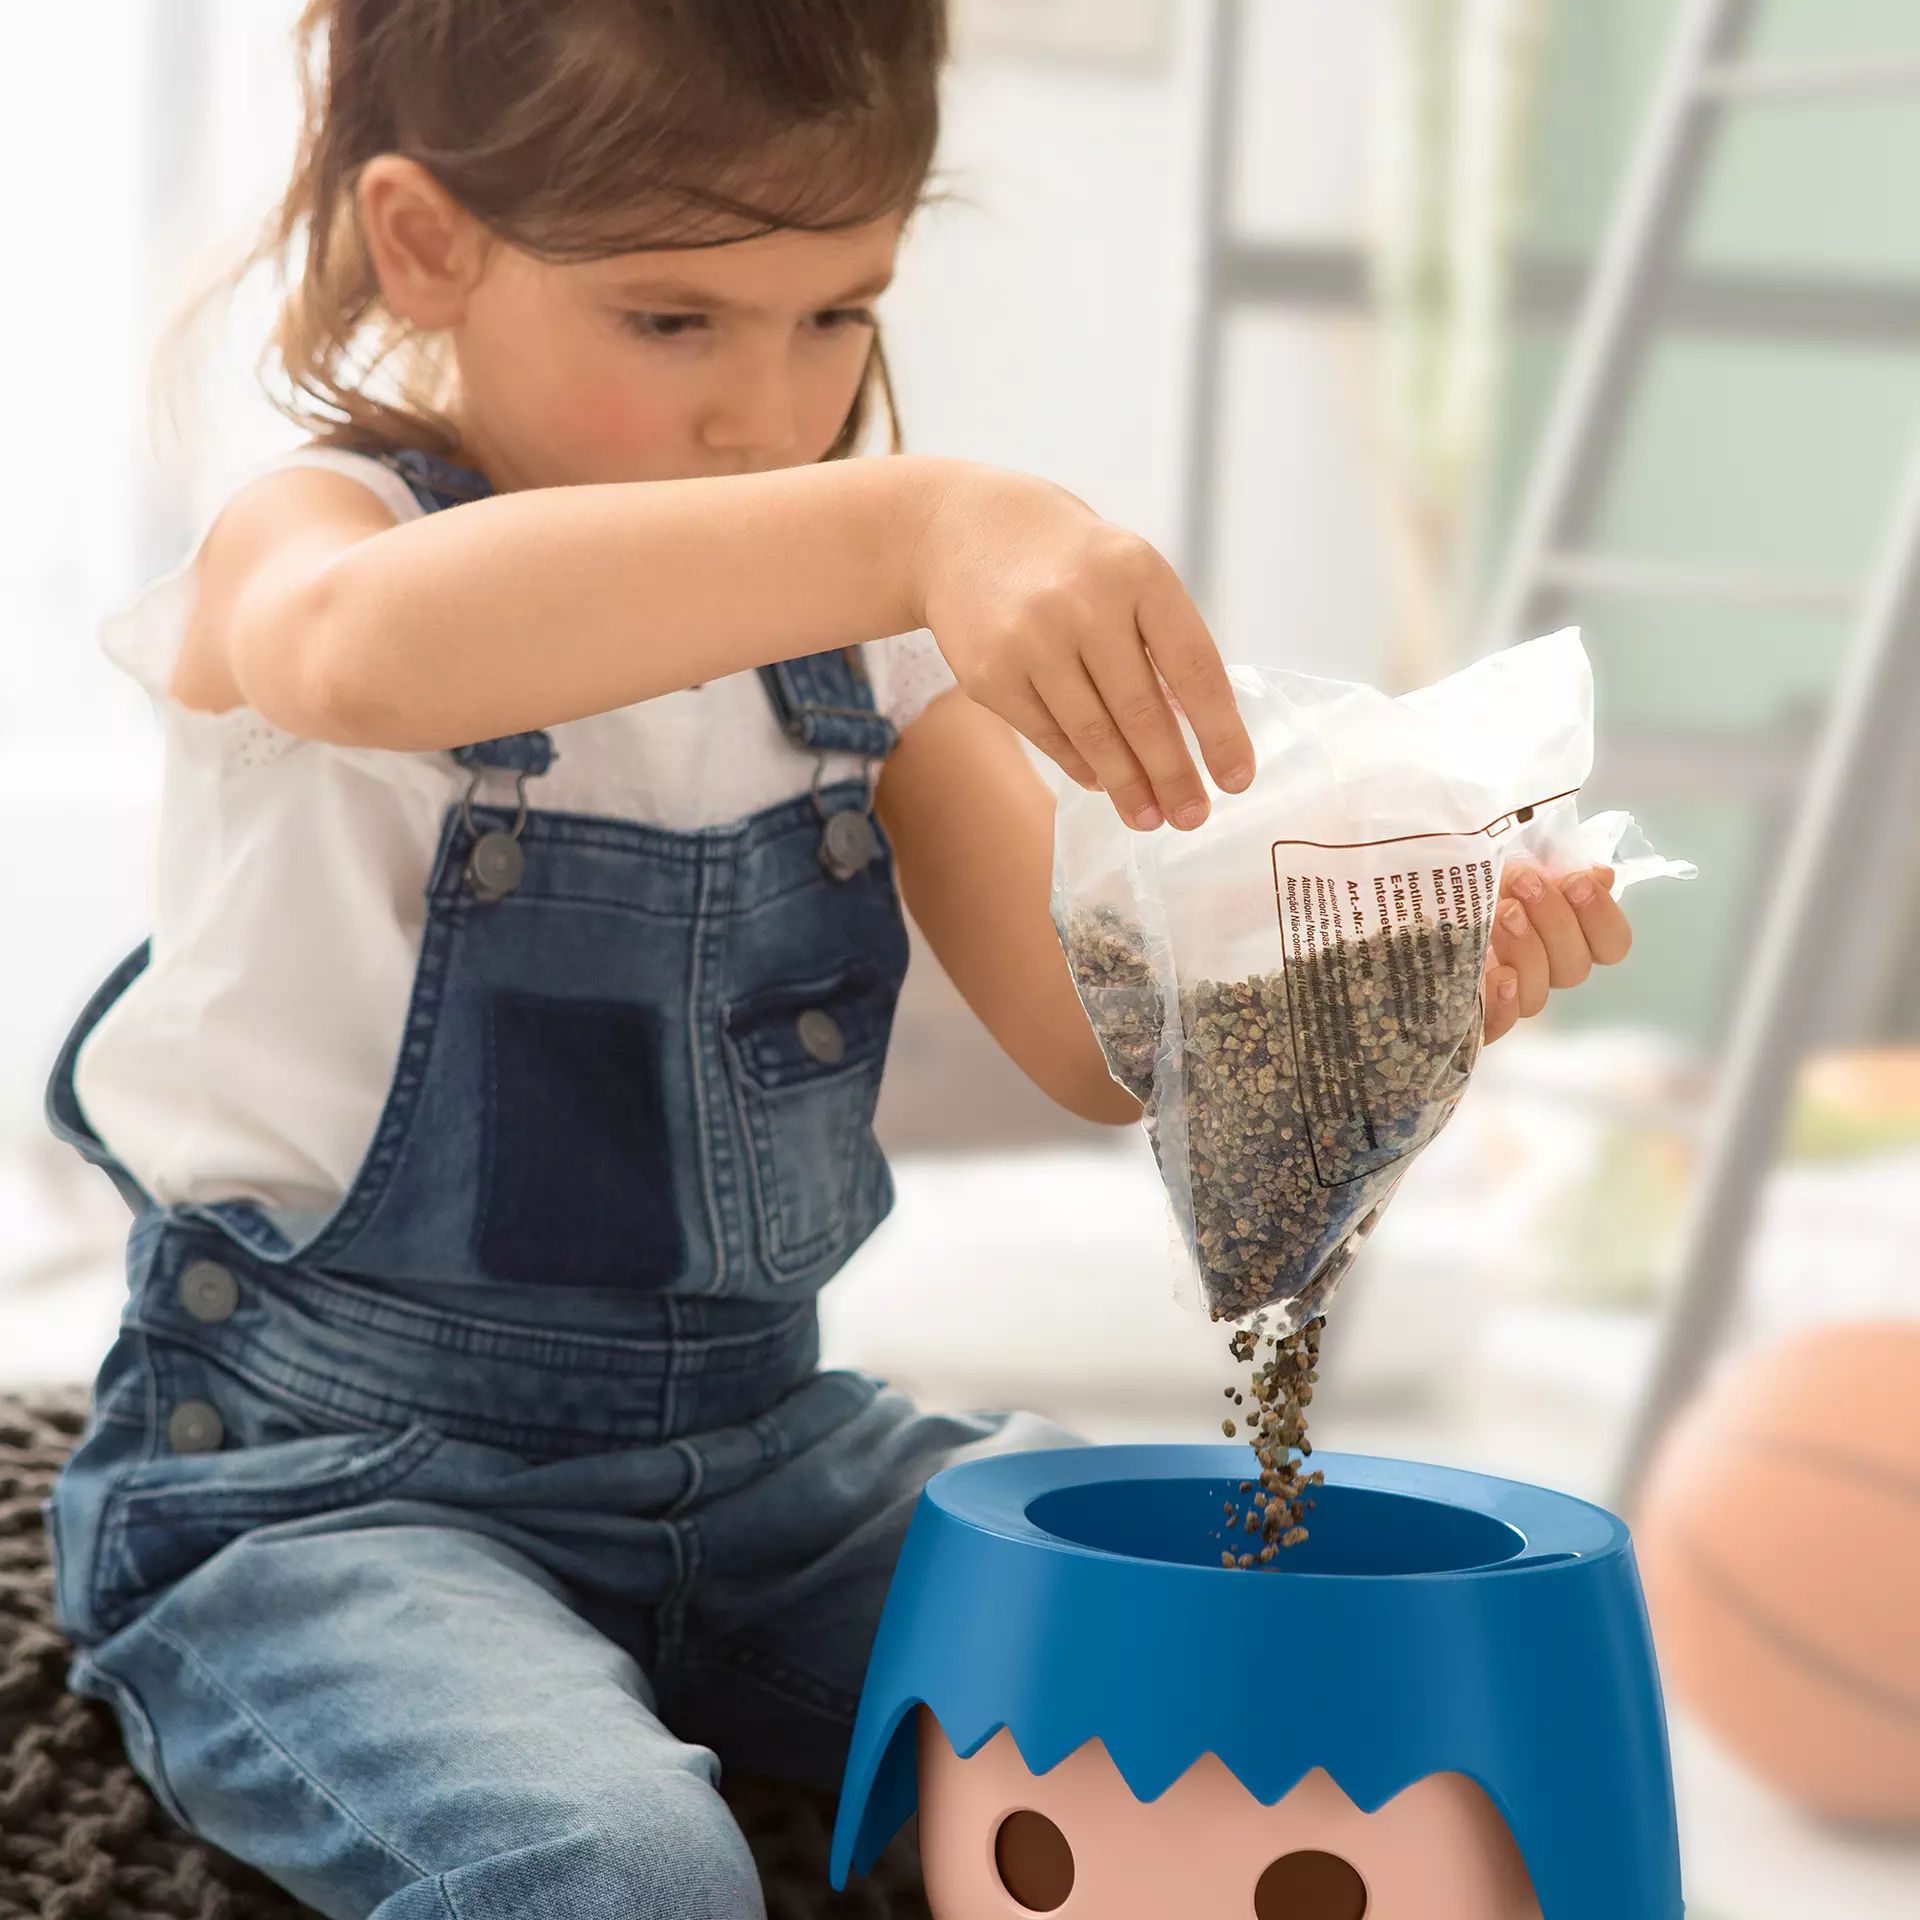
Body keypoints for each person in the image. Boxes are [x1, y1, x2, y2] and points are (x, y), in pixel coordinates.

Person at [43, 3, 1632, 1914]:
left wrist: (1388, 988)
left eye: (836, 315)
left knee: (1240, 1635)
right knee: (617, 1870)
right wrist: (910, 516)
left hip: (765, 1452)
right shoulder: (324, 535)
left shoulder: (859, 665)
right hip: (321, 1488)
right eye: (674, 320)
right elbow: (355, 654)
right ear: (425, 243)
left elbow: (1087, 1035)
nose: (767, 412)